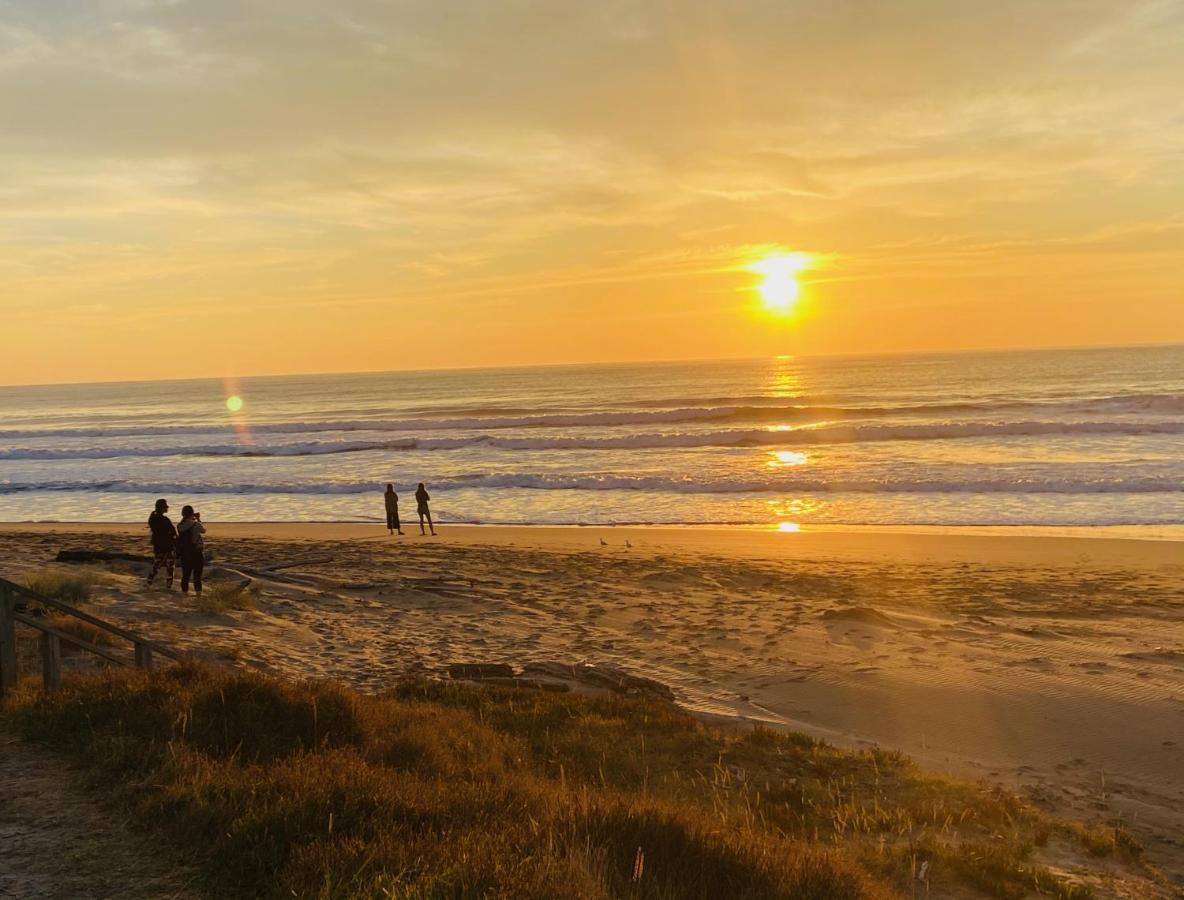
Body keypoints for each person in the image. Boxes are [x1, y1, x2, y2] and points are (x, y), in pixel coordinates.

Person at [145, 498, 176, 589]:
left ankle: (149, 582)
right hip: (167, 545)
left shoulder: (153, 519)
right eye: (166, 507)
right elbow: (173, 532)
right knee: (170, 565)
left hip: (158, 544)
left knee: (157, 564)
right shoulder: (165, 520)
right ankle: (169, 585)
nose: (167, 508)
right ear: (163, 508)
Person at [176, 505, 207, 596]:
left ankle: (184, 593)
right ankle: (198, 594)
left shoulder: (180, 525)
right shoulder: (196, 524)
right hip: (196, 552)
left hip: (185, 552)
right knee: (197, 575)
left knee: (186, 575)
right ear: (192, 513)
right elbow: (204, 531)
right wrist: (198, 519)